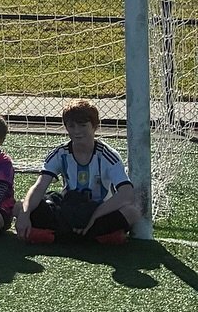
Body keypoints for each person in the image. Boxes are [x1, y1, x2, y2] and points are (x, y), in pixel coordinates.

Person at [18, 102, 139, 246]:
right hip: (68, 210)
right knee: (20, 207)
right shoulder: (60, 153)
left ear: (94, 126)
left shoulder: (107, 155)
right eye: (72, 126)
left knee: (132, 212)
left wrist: (93, 217)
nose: (77, 131)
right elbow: (39, 186)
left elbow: (127, 194)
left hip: (99, 210)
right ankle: (96, 239)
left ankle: (55, 237)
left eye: (83, 126)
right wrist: (25, 214)